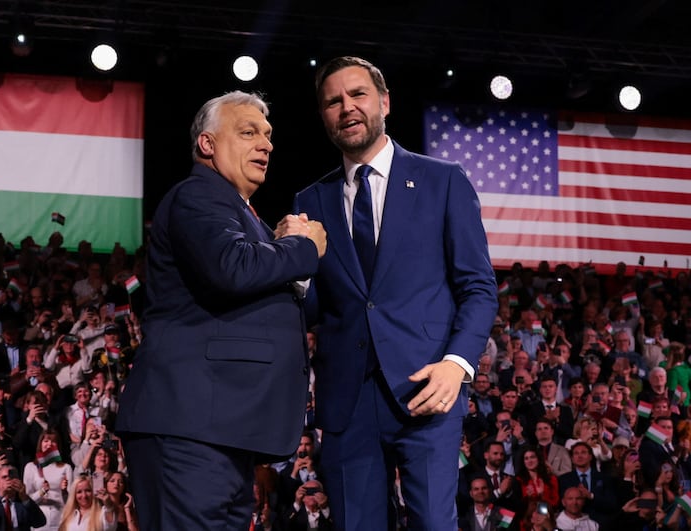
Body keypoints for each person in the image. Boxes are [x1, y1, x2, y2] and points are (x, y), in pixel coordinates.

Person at [291, 55, 497, 530]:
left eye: (358, 94)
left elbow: (479, 287)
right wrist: (296, 268)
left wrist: (457, 364)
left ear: (384, 101)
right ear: (323, 116)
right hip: (347, 401)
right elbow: (316, 308)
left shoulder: (444, 179)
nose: (347, 108)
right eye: (332, 101)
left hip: (427, 389)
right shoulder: (310, 201)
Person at [115, 90, 327, 530]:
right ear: (208, 144)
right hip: (191, 429)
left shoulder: (243, 215)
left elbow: (274, 303)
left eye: (268, 135)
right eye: (248, 132)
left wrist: (287, 255)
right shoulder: (199, 195)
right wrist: (300, 247)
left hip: (224, 432)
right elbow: (232, 268)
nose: (266, 144)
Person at [0, 465, 47, 531]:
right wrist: (0, 495)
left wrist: (25, 498)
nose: (8, 479)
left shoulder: (23, 503)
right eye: (4, 477)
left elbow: (40, 522)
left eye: (12, 477)